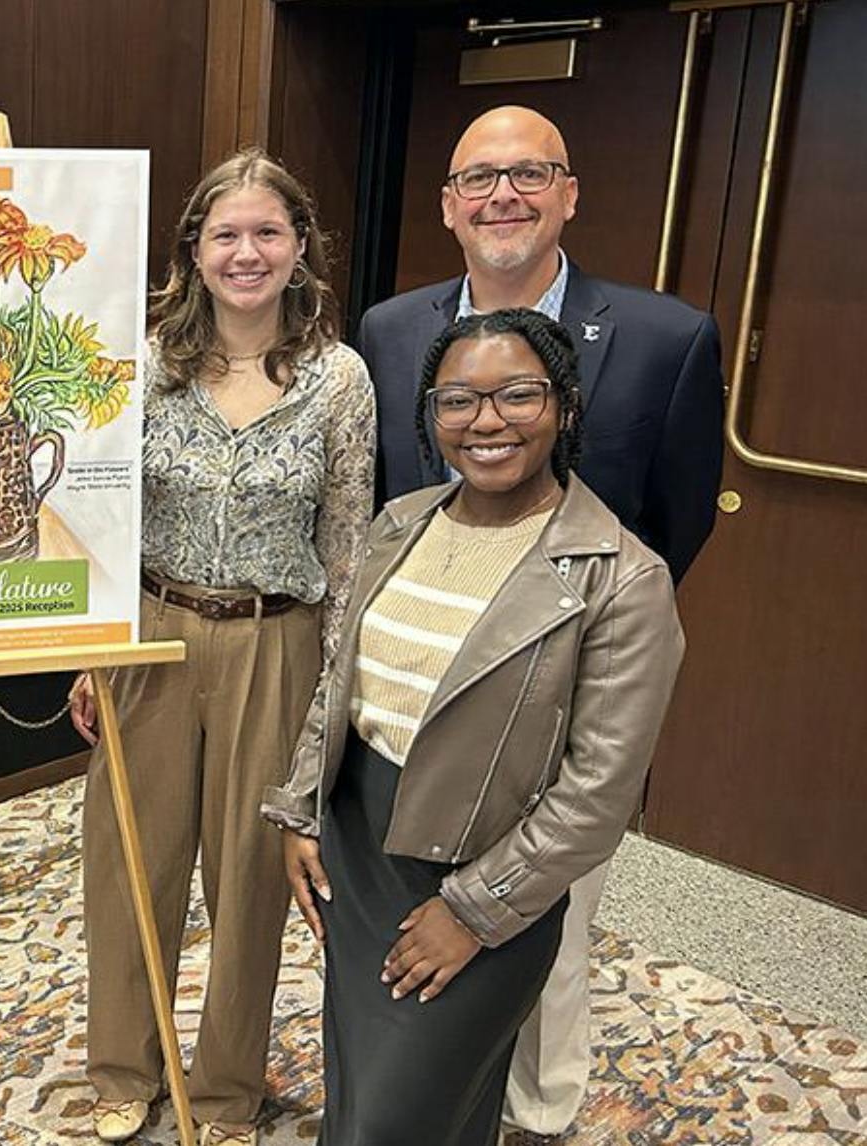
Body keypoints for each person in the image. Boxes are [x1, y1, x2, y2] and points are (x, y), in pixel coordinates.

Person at [354, 104, 724, 1135]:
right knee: (408, 928)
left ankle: (536, 1117)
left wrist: (587, 650)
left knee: (549, 933)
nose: (501, 196)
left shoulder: (665, 337)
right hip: (410, 697)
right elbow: (381, 508)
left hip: (558, 701)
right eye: (477, 179)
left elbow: (673, 523)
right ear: (446, 207)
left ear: (568, 194)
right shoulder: (388, 330)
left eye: (529, 174)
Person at [265, 307, 685, 1145]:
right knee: (370, 1086)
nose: (486, 421)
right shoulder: (402, 522)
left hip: (487, 873)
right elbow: (341, 679)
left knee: (398, 1115)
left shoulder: (623, 579)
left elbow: (598, 796)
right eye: (458, 401)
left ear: (565, 406)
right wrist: (302, 807)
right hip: (358, 843)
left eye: (517, 395)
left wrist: (474, 910)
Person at [68, 149, 375, 1145]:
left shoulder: (339, 380)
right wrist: (91, 645)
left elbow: (348, 547)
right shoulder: (145, 362)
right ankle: (123, 1064)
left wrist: (331, 703)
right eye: (224, 235)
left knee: (249, 879)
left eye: (266, 233)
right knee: (127, 861)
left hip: (273, 643)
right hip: (152, 633)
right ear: (193, 251)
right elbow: (99, 517)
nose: (245, 253)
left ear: (299, 249)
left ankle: (229, 1087)